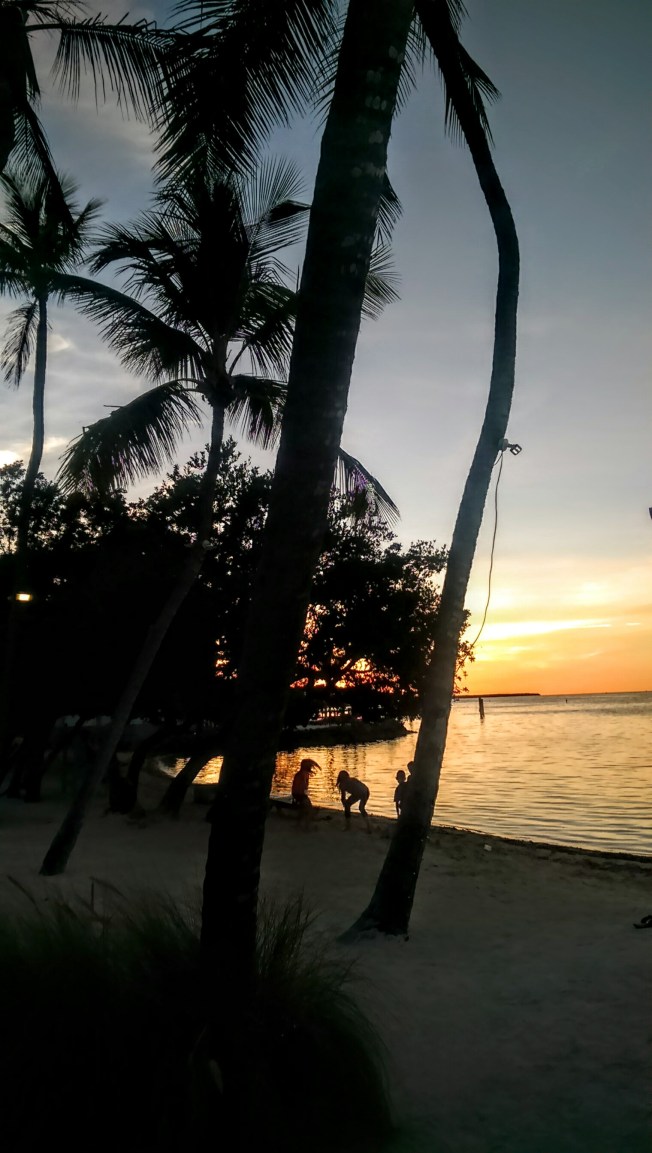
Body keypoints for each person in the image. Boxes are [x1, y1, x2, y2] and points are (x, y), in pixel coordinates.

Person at [291, 758, 319, 827]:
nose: (311, 767)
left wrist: (306, 796)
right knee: (309, 810)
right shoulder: (302, 774)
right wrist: (304, 797)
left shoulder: (305, 774)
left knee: (304, 809)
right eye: (310, 765)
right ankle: (307, 826)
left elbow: (305, 787)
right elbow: (302, 786)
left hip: (300, 794)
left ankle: (299, 824)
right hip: (298, 794)